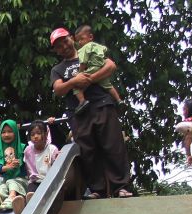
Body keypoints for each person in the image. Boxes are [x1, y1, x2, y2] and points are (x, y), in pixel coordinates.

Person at [50, 27, 133, 198]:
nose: (63, 46)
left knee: (113, 145)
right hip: (79, 112)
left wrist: (87, 80)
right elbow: (58, 89)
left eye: (64, 41)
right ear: (56, 50)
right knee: (88, 151)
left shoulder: (88, 50)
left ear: (72, 38)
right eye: (58, 46)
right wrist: (74, 81)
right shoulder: (58, 69)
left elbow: (110, 65)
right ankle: (97, 189)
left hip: (102, 103)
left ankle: (121, 187)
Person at [73, 24, 123, 112]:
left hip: (92, 69)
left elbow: (83, 62)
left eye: (81, 39)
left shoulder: (84, 48)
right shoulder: (98, 46)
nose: (80, 42)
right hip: (101, 68)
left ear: (90, 37)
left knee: (76, 86)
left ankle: (82, 101)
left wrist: (80, 73)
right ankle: (119, 100)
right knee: (108, 85)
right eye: (78, 41)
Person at [0, 120, 28, 214]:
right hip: (5, 180)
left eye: (10, 131)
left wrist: (20, 164)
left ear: (15, 132)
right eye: (4, 132)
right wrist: (8, 167)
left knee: (11, 182)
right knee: (2, 186)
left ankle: (12, 197)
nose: (6, 134)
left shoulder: (23, 148)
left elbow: (29, 165)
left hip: (21, 180)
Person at [23, 120, 62, 195]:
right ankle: (27, 201)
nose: (35, 136)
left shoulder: (52, 149)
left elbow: (56, 166)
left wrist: (58, 158)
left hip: (50, 180)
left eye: (39, 133)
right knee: (30, 192)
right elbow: (28, 170)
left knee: (49, 194)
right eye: (32, 134)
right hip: (35, 181)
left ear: (46, 134)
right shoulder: (28, 150)